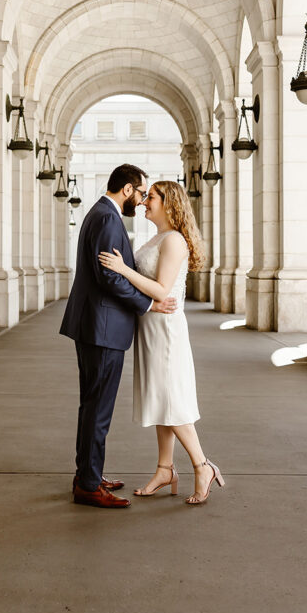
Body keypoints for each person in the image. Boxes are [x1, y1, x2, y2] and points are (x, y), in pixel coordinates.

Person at [98, 180, 224, 505]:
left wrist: (123, 270)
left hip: (165, 328)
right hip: (150, 327)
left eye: (150, 197)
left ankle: (202, 465)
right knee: (160, 399)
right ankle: (165, 469)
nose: (143, 202)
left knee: (172, 398)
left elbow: (162, 291)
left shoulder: (175, 241)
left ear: (169, 203)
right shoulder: (155, 237)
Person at [60, 164, 177, 509]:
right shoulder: (109, 219)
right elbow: (109, 278)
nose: (141, 201)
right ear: (127, 189)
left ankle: (87, 475)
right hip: (103, 328)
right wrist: (148, 305)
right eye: (141, 193)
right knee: (98, 408)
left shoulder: (99, 213)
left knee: (91, 405)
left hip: (96, 325)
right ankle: (89, 484)